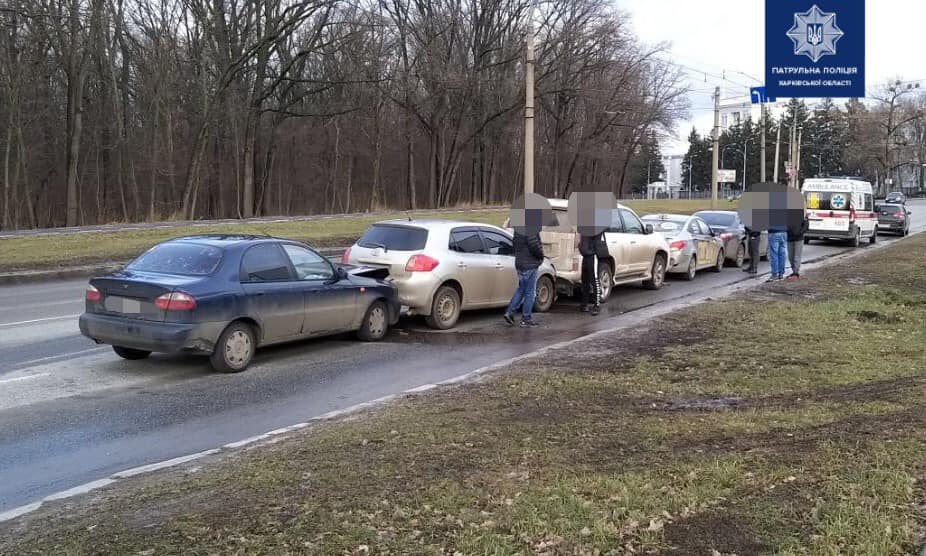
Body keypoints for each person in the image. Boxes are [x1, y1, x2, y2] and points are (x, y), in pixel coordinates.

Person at [504, 213, 544, 327]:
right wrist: (541, 255)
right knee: (529, 292)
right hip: (530, 264)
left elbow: (515, 244)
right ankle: (526, 318)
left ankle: (510, 312)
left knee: (521, 289)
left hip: (520, 263)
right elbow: (534, 245)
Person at [578, 230, 606, 315]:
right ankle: (584, 304)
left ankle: (597, 305)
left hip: (592, 256)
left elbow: (597, 241)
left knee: (594, 280)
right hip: (585, 255)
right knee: (585, 280)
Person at [786, 212, 809, 280]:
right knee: (790, 257)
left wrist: (800, 232)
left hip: (799, 239)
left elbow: (806, 224)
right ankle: (794, 271)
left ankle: (796, 272)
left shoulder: (801, 214)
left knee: (797, 256)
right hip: (789, 238)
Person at [766, 215, 788, 282]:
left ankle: (774, 274)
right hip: (784, 232)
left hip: (774, 232)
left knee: (774, 254)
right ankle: (781, 274)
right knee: (782, 254)